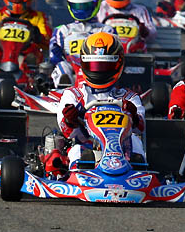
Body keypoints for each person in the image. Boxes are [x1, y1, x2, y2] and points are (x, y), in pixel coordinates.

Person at [57, 31, 146, 170]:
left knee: (135, 141)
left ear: (118, 64)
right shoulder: (74, 95)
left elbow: (140, 128)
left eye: (104, 66)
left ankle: (139, 174)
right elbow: (68, 133)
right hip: (87, 145)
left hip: (122, 149)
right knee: (77, 150)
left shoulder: (129, 98)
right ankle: (78, 175)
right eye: (93, 66)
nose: (98, 71)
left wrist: (133, 116)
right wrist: (70, 120)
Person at [49, 0, 114, 88]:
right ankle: (63, 88)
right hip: (72, 75)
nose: (81, 10)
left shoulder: (106, 31)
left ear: (97, 3)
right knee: (62, 66)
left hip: (98, 74)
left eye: (85, 5)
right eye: (77, 6)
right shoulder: (63, 31)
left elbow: (116, 57)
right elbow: (53, 57)